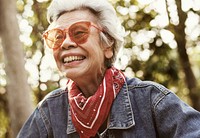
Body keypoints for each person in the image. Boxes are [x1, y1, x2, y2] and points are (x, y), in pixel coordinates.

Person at [17, 0, 200, 137]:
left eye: (79, 32)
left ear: (108, 45)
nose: (65, 43)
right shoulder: (48, 111)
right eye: (57, 37)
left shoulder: (152, 100)